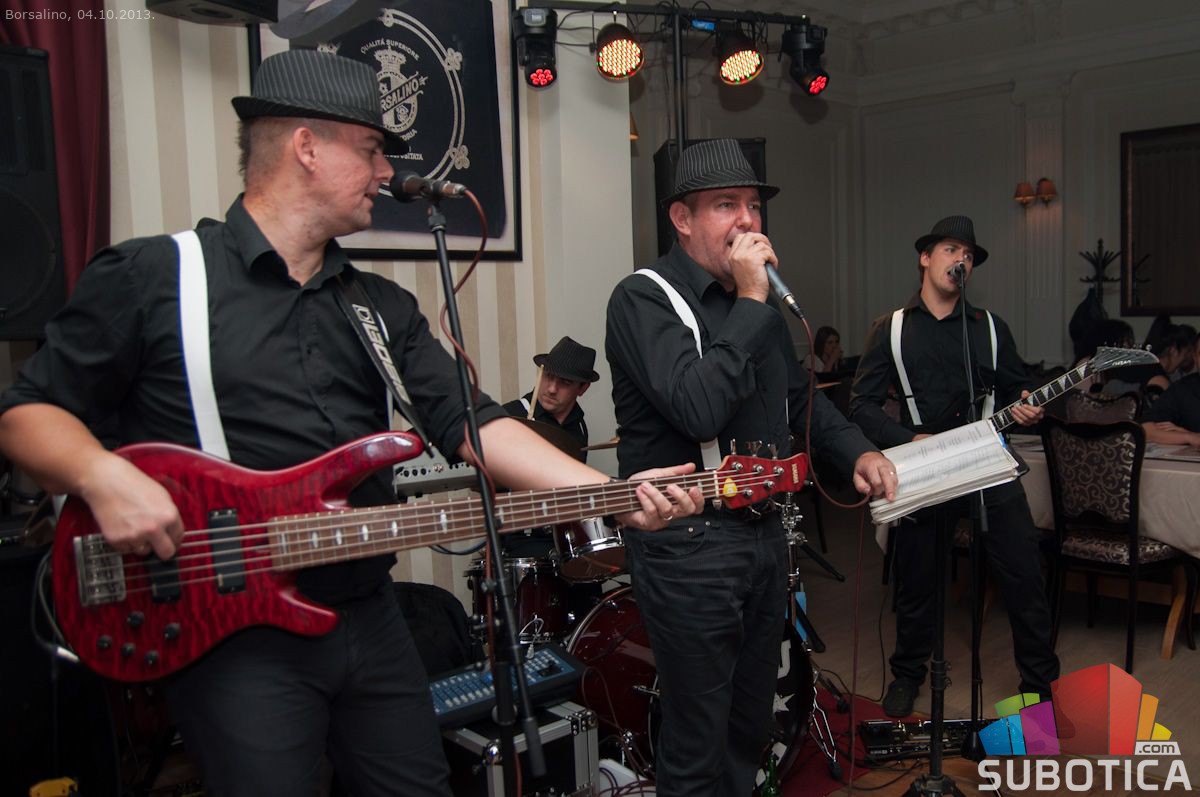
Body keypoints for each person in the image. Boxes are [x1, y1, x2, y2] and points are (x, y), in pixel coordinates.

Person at [0, 50, 703, 797]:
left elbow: (474, 423)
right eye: (371, 149)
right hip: (234, 631)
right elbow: (26, 414)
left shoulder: (378, 307)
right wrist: (101, 476)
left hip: (368, 613)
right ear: (307, 146)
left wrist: (607, 492)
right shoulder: (156, 276)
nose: (384, 172)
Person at [605, 138, 897, 796]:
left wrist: (858, 451)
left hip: (765, 536)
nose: (747, 221)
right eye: (726, 204)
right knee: (697, 738)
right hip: (689, 546)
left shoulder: (753, 306)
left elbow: (799, 403)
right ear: (682, 218)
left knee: (748, 726)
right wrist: (751, 299)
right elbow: (698, 407)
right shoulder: (643, 299)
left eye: (754, 206)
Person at [850, 215, 1060, 718]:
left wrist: (1025, 405)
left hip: (985, 458)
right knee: (916, 578)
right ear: (925, 258)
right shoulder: (891, 328)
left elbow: (1015, 390)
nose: (960, 259)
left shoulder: (989, 328)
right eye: (950, 249)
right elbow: (860, 406)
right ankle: (907, 674)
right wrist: (907, 440)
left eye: (968, 254)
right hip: (923, 464)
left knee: (1024, 573)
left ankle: (1040, 690)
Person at [502, 335, 598, 456]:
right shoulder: (509, 417)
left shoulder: (579, 426)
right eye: (548, 376)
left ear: (583, 388)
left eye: (565, 382)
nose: (552, 389)